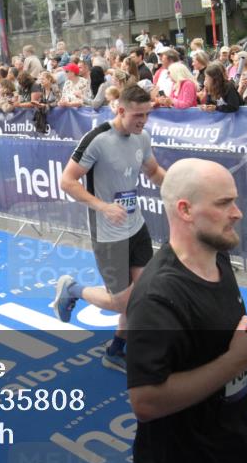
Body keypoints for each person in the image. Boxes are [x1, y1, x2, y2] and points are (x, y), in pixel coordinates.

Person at [126, 158, 247, 463]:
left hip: (245, 448)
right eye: (224, 203)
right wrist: (235, 362)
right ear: (185, 210)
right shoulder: (159, 295)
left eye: (234, 201)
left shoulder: (218, 255)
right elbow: (146, 401)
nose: (237, 212)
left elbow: (215, 338)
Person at [52, 85, 166, 373]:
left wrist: (181, 189)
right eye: (138, 115)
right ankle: (73, 289)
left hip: (136, 226)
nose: (143, 121)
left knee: (142, 296)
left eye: (147, 115)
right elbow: (67, 181)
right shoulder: (97, 140)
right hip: (108, 232)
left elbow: (153, 171)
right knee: (121, 302)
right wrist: (103, 207)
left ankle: (116, 350)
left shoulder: (142, 138)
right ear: (120, 110)